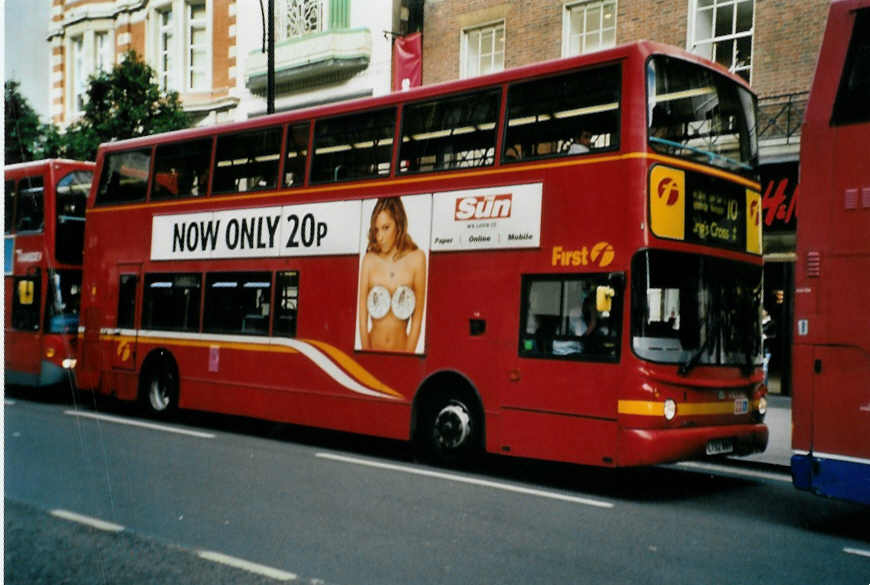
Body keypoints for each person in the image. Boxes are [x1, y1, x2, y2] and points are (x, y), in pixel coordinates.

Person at [358, 197, 427, 353]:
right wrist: (366, 354)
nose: (380, 237)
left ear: (399, 225)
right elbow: (362, 320)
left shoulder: (417, 259)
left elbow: (417, 320)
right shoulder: (369, 260)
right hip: (371, 351)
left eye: (386, 228)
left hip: (403, 352)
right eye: (376, 230)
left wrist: (408, 358)